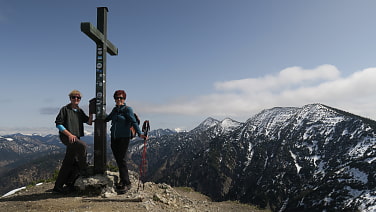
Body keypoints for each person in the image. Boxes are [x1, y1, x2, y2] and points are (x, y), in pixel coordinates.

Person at [105, 90, 146, 193]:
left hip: (124, 137)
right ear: (114, 99)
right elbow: (107, 118)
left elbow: (133, 121)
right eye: (117, 98)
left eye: (121, 98)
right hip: (114, 137)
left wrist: (140, 133)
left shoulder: (128, 110)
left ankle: (126, 183)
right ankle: (122, 180)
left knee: (122, 159)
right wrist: (97, 114)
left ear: (124, 99)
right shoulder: (115, 110)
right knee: (118, 159)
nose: (119, 100)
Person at [53, 90, 93, 194]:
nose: (76, 99)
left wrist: (91, 112)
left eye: (78, 98)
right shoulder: (65, 109)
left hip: (76, 137)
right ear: (70, 98)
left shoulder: (79, 111)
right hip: (67, 137)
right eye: (74, 97)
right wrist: (69, 134)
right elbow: (58, 124)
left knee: (68, 162)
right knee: (83, 146)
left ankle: (58, 186)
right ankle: (84, 169)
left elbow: (89, 122)